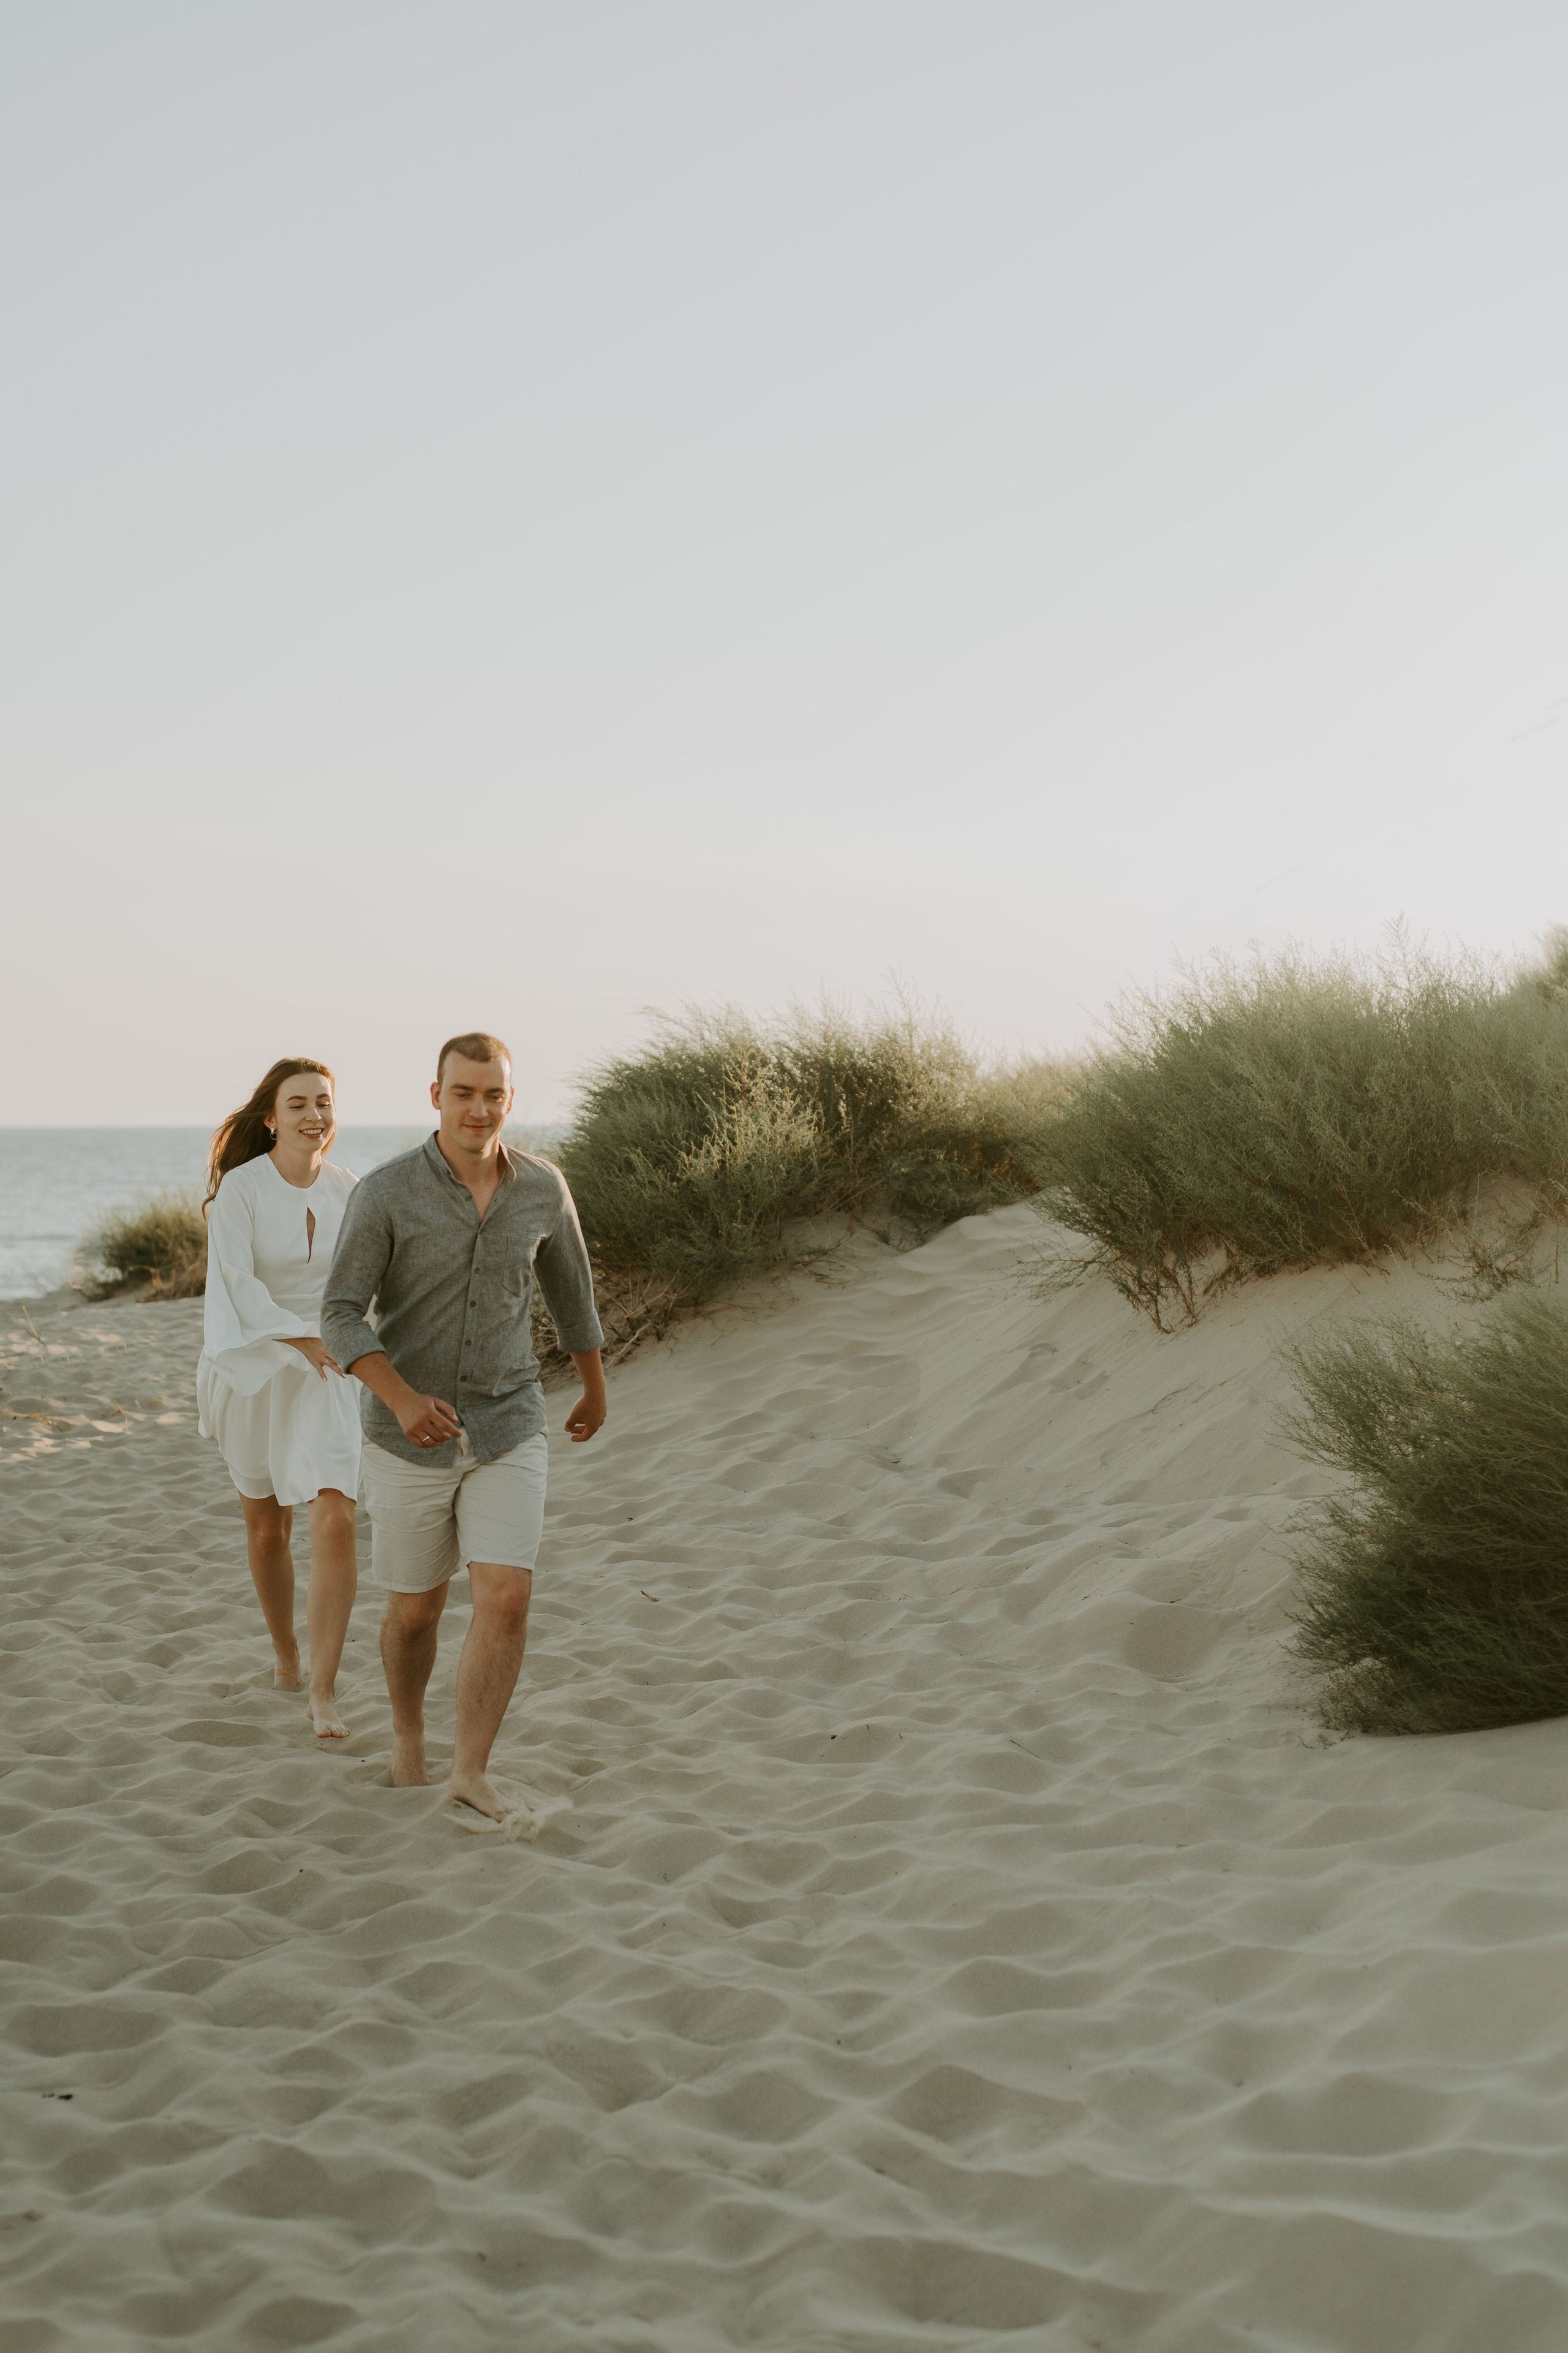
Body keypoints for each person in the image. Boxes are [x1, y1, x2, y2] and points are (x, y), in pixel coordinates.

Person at [320, 1031, 606, 1825]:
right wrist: (403, 1397)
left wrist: (593, 1388)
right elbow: (340, 1313)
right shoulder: (383, 1193)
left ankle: (470, 1771)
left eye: (494, 1094)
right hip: (404, 1435)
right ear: (436, 1095)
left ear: (510, 1099)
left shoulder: (543, 1189)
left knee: (506, 1596)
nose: (479, 1108)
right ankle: (408, 1732)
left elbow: (573, 1296)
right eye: (464, 1093)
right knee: (415, 1611)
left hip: (510, 1421)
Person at [197, 1058, 361, 1739]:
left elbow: (371, 1279)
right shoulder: (241, 1188)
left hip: (329, 1368)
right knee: (269, 1530)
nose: (313, 1115)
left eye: (323, 1102)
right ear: (271, 1117)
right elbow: (233, 1281)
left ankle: (322, 1690)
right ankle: (287, 1656)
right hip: (255, 1364)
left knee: (337, 1520)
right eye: (298, 1104)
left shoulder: (351, 1189)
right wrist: (296, 1338)